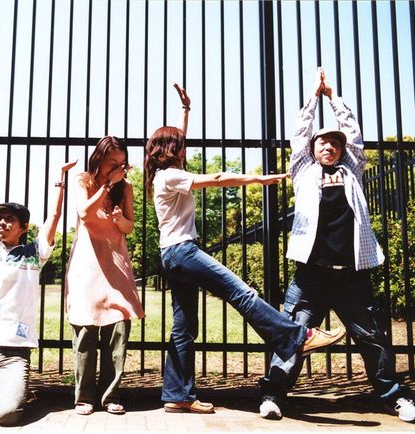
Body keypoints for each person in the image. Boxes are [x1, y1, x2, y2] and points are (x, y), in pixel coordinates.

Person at [143, 83, 346, 414]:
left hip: (172, 255)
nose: (184, 148)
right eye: (180, 145)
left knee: (184, 327)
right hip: (183, 252)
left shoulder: (166, 174)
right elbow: (217, 178)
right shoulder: (169, 176)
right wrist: (258, 180)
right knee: (242, 293)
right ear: (171, 150)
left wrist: (186, 111)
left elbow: (177, 139)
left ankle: (177, 395)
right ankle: (297, 338)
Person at [257, 69, 415, 423]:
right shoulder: (303, 170)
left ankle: (394, 396)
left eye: (334, 143)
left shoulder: (352, 170)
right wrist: (314, 97)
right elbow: (300, 132)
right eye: (322, 143)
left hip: (351, 275)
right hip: (311, 275)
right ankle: (273, 395)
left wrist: (333, 97)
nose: (329, 147)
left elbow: (354, 134)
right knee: (293, 335)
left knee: (372, 337)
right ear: (313, 149)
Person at [0, 148, 76, 426]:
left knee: (7, 416)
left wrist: (60, 178)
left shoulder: (34, 253)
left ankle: (6, 394)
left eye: (10, 219)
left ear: (23, 227)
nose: (2, 223)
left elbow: (54, 216)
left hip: (14, 350)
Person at [65, 136, 144, 416]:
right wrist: (107, 185)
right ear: (99, 158)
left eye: (121, 163)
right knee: (85, 330)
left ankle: (110, 395)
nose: (118, 168)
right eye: (112, 163)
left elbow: (130, 226)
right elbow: (85, 213)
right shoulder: (82, 180)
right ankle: (84, 397)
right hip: (87, 263)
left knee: (118, 329)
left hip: (116, 264)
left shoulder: (127, 187)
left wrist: (120, 219)